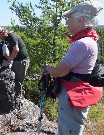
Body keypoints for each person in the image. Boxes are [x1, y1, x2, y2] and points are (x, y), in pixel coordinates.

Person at [41, 1, 103, 134]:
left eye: (69, 18)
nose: (66, 22)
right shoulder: (89, 40)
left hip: (72, 95)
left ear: (80, 20)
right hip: (77, 93)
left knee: (68, 130)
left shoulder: (82, 43)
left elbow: (60, 71)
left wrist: (47, 68)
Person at [0, 26, 30, 103]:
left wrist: (8, 61)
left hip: (21, 61)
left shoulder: (12, 36)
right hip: (17, 61)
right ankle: (14, 99)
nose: (0, 38)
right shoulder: (8, 38)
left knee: (18, 81)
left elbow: (16, 50)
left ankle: (17, 100)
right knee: (15, 79)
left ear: (2, 33)